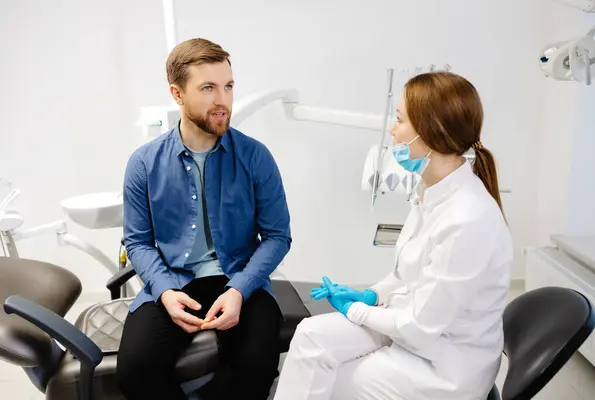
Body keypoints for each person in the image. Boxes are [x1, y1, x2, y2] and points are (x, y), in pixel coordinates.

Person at [274, 72, 512, 400]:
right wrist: (372, 295)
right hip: (415, 332)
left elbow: (421, 328)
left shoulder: (467, 220)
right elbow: (407, 275)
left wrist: (356, 311)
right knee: (310, 338)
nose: (392, 130)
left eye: (399, 120)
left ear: (430, 132)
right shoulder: (429, 191)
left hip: (444, 363)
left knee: (332, 379)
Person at [116, 38, 292, 400]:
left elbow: (278, 236)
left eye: (228, 87)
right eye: (208, 88)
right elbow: (137, 241)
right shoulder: (144, 163)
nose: (222, 100)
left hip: (241, 278)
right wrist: (164, 291)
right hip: (172, 280)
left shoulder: (256, 157)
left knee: (256, 363)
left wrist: (239, 290)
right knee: (135, 370)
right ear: (177, 95)